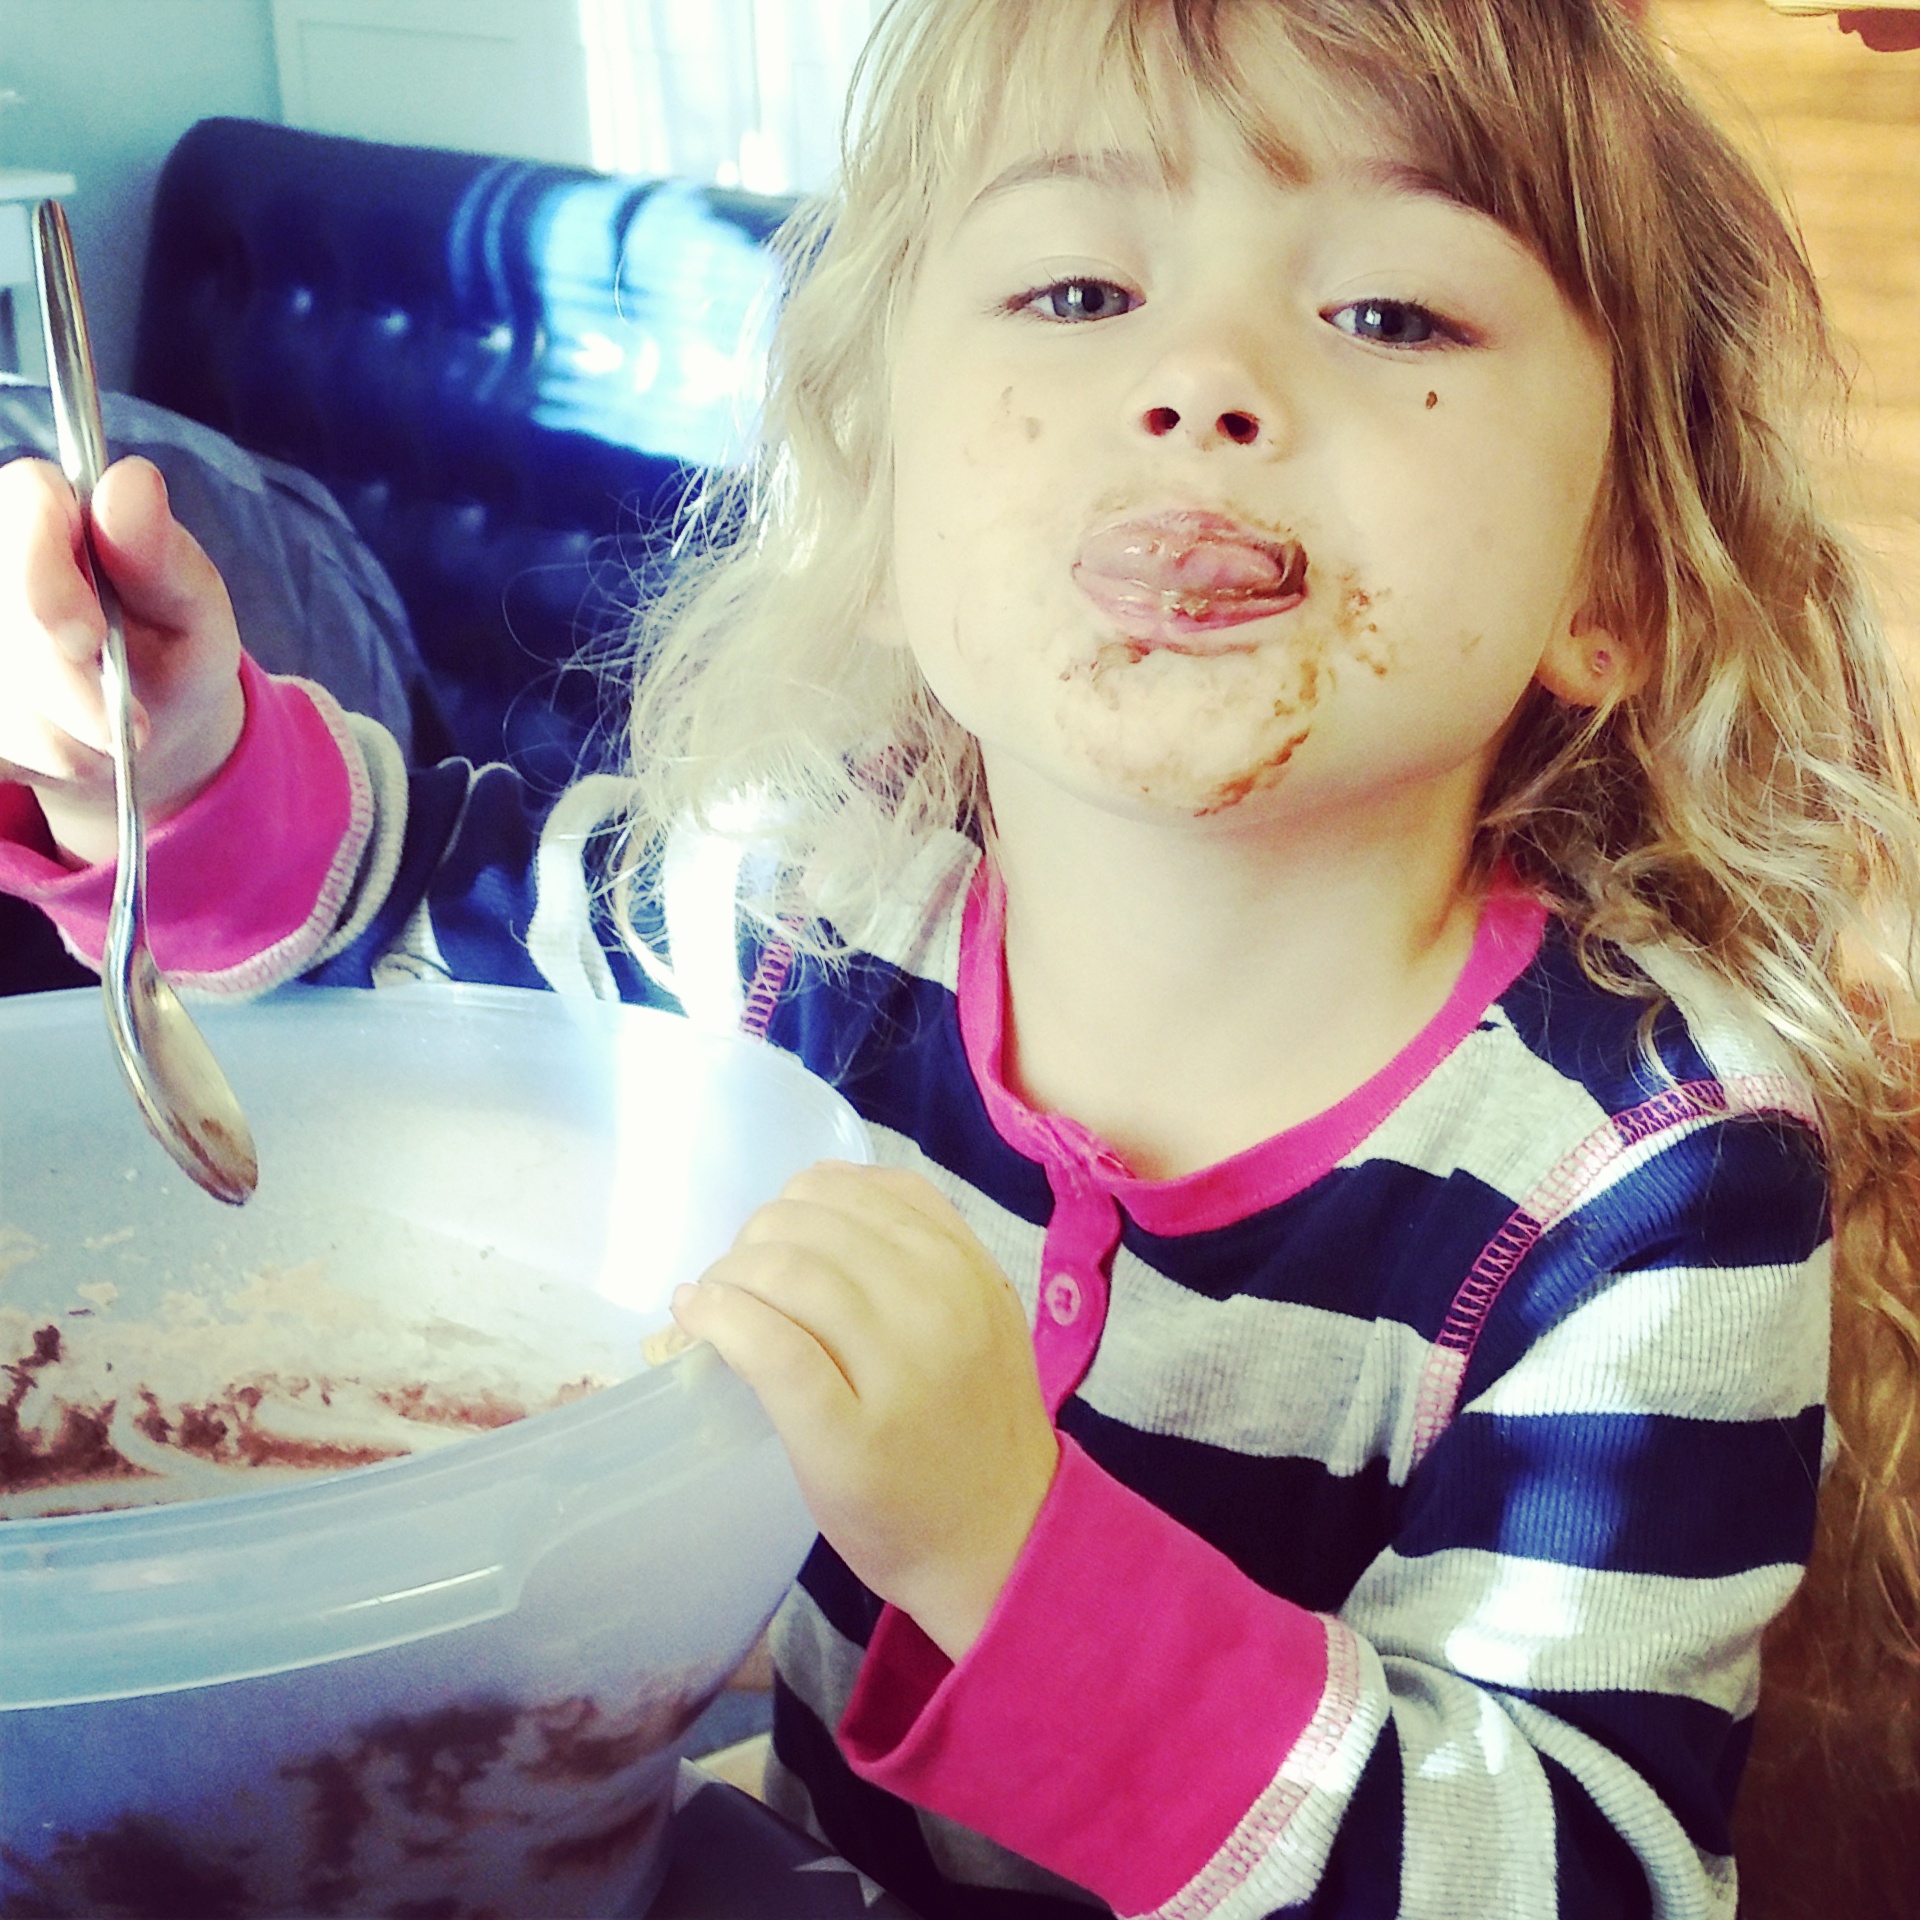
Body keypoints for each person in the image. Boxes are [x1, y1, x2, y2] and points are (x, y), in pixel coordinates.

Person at [2, 1, 1917, 1913]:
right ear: (885, 501)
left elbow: (1585, 1874)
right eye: (1079, 291)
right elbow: (406, 912)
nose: (1203, 378)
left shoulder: (1647, 1184)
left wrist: (1013, 1562)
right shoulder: (804, 920)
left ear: (1616, 572)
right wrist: (170, 772)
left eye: (1391, 313)